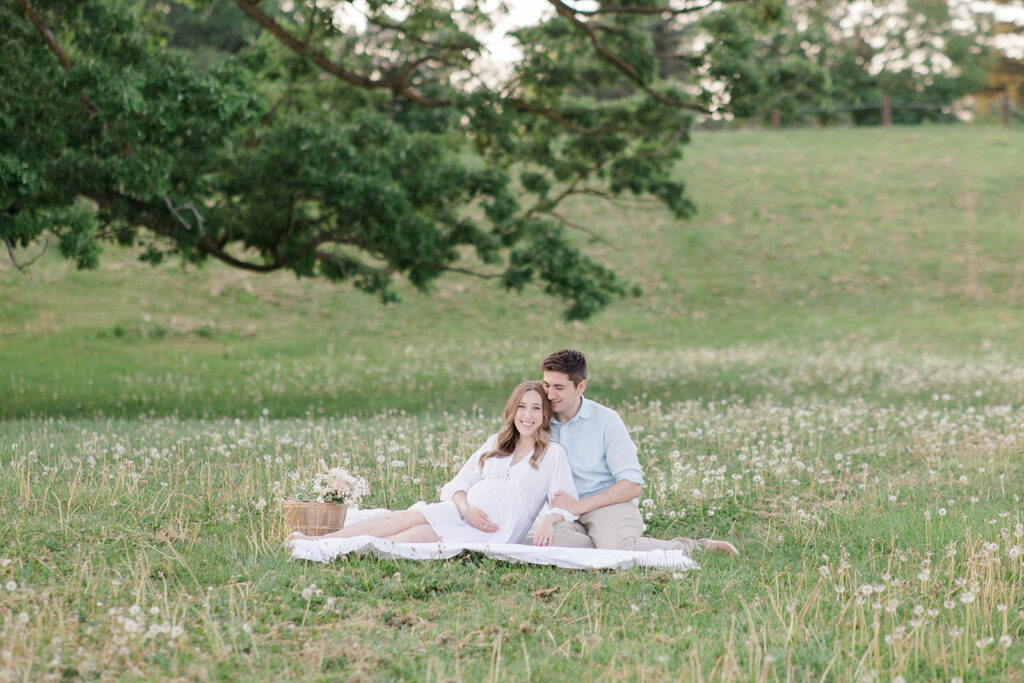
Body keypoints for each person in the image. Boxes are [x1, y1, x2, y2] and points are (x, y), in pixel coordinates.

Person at [291, 381, 578, 546]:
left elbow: (566, 504)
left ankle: (346, 550)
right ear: (512, 410)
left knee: (414, 536)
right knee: (404, 517)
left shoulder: (552, 454)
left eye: (536, 408)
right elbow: (460, 483)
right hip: (462, 512)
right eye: (522, 407)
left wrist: (548, 519)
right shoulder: (496, 443)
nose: (527, 415)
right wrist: (465, 508)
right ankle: (323, 542)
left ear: (544, 415)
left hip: (493, 530)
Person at [531, 349, 739, 556]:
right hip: (564, 512)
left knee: (618, 548)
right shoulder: (538, 419)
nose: (549, 394)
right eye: (546, 385)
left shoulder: (606, 420)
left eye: (559, 387)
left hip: (607, 505)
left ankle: (692, 547)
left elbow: (631, 486)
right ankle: (606, 544)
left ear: (581, 386)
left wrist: (579, 505)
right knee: (545, 540)